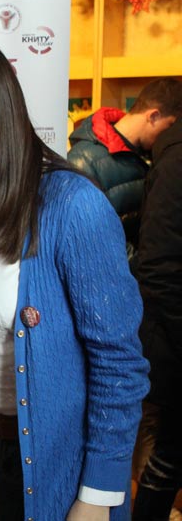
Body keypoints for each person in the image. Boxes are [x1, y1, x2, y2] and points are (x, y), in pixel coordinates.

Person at [0, 36, 149, 521]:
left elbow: (120, 364)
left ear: (6, 103)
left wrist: (98, 494)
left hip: (58, 462)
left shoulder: (71, 205)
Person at [67, 77, 182, 261]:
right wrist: (139, 264)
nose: (172, 136)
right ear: (153, 116)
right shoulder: (84, 161)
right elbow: (86, 236)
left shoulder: (148, 156)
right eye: (170, 126)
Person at [132, 118, 182, 521]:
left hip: (166, 333)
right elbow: (157, 265)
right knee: (169, 451)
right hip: (169, 337)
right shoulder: (176, 159)